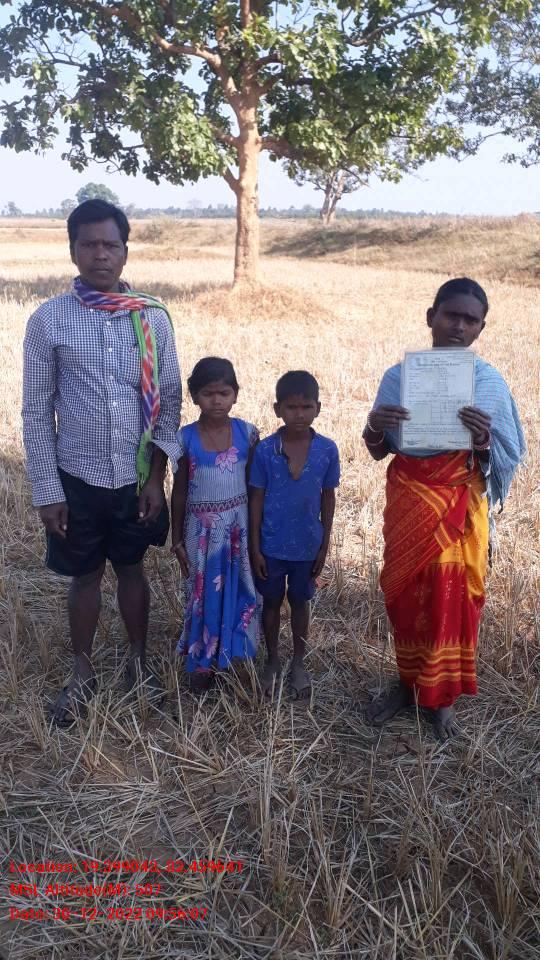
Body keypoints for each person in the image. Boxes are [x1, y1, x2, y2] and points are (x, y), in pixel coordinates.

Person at [22, 199, 182, 726]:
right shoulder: (49, 320)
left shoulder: (152, 318)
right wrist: (48, 490)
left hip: (135, 480)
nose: (100, 254)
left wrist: (156, 477)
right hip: (77, 478)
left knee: (133, 569)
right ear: (72, 250)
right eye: (88, 244)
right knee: (85, 575)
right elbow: (36, 410)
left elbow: (169, 401)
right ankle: (82, 672)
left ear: (125, 251)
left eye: (110, 244)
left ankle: (138, 663)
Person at [364, 277, 526, 739]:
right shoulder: (398, 378)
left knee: (452, 597)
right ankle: (406, 683)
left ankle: (443, 699)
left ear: (481, 328)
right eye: (451, 315)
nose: (459, 326)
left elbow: (504, 454)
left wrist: (483, 438)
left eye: (470, 320)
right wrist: (375, 425)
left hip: (459, 504)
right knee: (406, 596)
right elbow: (378, 450)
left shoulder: (488, 383)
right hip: (410, 499)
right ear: (430, 317)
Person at [249, 371, 340, 699]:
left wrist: (325, 543)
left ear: (318, 408)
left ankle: (298, 661)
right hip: (271, 545)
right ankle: (272, 660)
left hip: (307, 545)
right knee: (271, 602)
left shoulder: (327, 450)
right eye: (291, 407)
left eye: (306, 407)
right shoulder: (265, 451)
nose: (298, 414)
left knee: (301, 602)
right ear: (277, 409)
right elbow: (256, 499)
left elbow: (328, 497)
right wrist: (255, 547)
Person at [171, 357, 260, 692]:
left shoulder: (247, 434)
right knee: (201, 593)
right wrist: (176, 538)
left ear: (236, 394)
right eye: (208, 394)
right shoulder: (185, 439)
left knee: (240, 589)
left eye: (224, 393)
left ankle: (236, 657)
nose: (217, 401)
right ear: (194, 396)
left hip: (238, 529)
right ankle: (202, 663)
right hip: (201, 532)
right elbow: (179, 491)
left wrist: (258, 534)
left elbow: (255, 488)